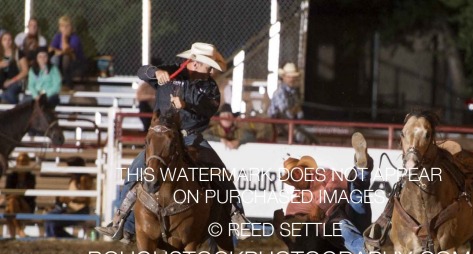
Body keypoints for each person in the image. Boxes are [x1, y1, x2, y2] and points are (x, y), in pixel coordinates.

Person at [95, 42, 252, 241]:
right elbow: (142, 72)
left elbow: (209, 108)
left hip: (190, 137)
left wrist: (187, 105)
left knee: (219, 173)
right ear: (195, 63)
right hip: (164, 138)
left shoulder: (209, 85)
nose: (211, 69)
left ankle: (237, 216)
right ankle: (122, 223)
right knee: (135, 171)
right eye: (208, 65)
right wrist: (155, 71)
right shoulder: (170, 73)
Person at [281, 132, 373, 254]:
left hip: (352, 210)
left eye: (297, 172)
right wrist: (308, 217)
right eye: (292, 176)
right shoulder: (295, 203)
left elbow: (339, 183)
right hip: (333, 227)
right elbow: (295, 223)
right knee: (341, 227)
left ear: (305, 169)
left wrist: (320, 206)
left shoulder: (325, 174)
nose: (296, 176)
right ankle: (367, 249)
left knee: (356, 191)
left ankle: (363, 167)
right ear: (291, 182)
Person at [268, 62, 316, 144]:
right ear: (283, 77)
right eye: (289, 77)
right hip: (279, 124)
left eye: (293, 77)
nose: (291, 79)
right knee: (303, 138)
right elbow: (286, 113)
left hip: (291, 123)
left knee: (313, 139)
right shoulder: (279, 93)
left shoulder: (294, 92)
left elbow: (298, 114)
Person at [45, 156, 93, 238]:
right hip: (70, 209)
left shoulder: (84, 179)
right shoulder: (74, 179)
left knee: (51, 219)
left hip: (80, 211)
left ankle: (53, 238)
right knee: (49, 216)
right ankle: (64, 239)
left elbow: (86, 198)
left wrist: (70, 198)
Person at [1, 153, 36, 238]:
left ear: (27, 163)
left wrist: (12, 196)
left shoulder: (31, 177)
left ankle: (15, 234)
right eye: (20, 161)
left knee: (10, 206)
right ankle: (19, 230)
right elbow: (7, 192)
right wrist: (13, 196)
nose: (21, 163)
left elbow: (27, 193)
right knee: (10, 206)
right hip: (13, 203)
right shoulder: (11, 176)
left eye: (24, 161)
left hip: (26, 205)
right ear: (17, 162)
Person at [49, 15, 86, 90]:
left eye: (67, 26)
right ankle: (53, 82)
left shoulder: (75, 38)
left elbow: (67, 50)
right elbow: (50, 49)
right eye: (62, 26)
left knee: (66, 57)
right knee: (53, 58)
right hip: (61, 63)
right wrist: (58, 52)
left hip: (76, 63)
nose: (65, 28)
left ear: (71, 27)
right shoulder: (57, 36)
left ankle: (68, 85)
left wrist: (64, 37)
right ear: (59, 28)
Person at [0, 31, 29, 104]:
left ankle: (17, 109)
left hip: (16, 81)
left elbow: (25, 71)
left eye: (9, 39)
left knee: (8, 94)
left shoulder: (18, 53)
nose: (7, 42)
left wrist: (11, 81)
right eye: (5, 39)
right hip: (2, 81)